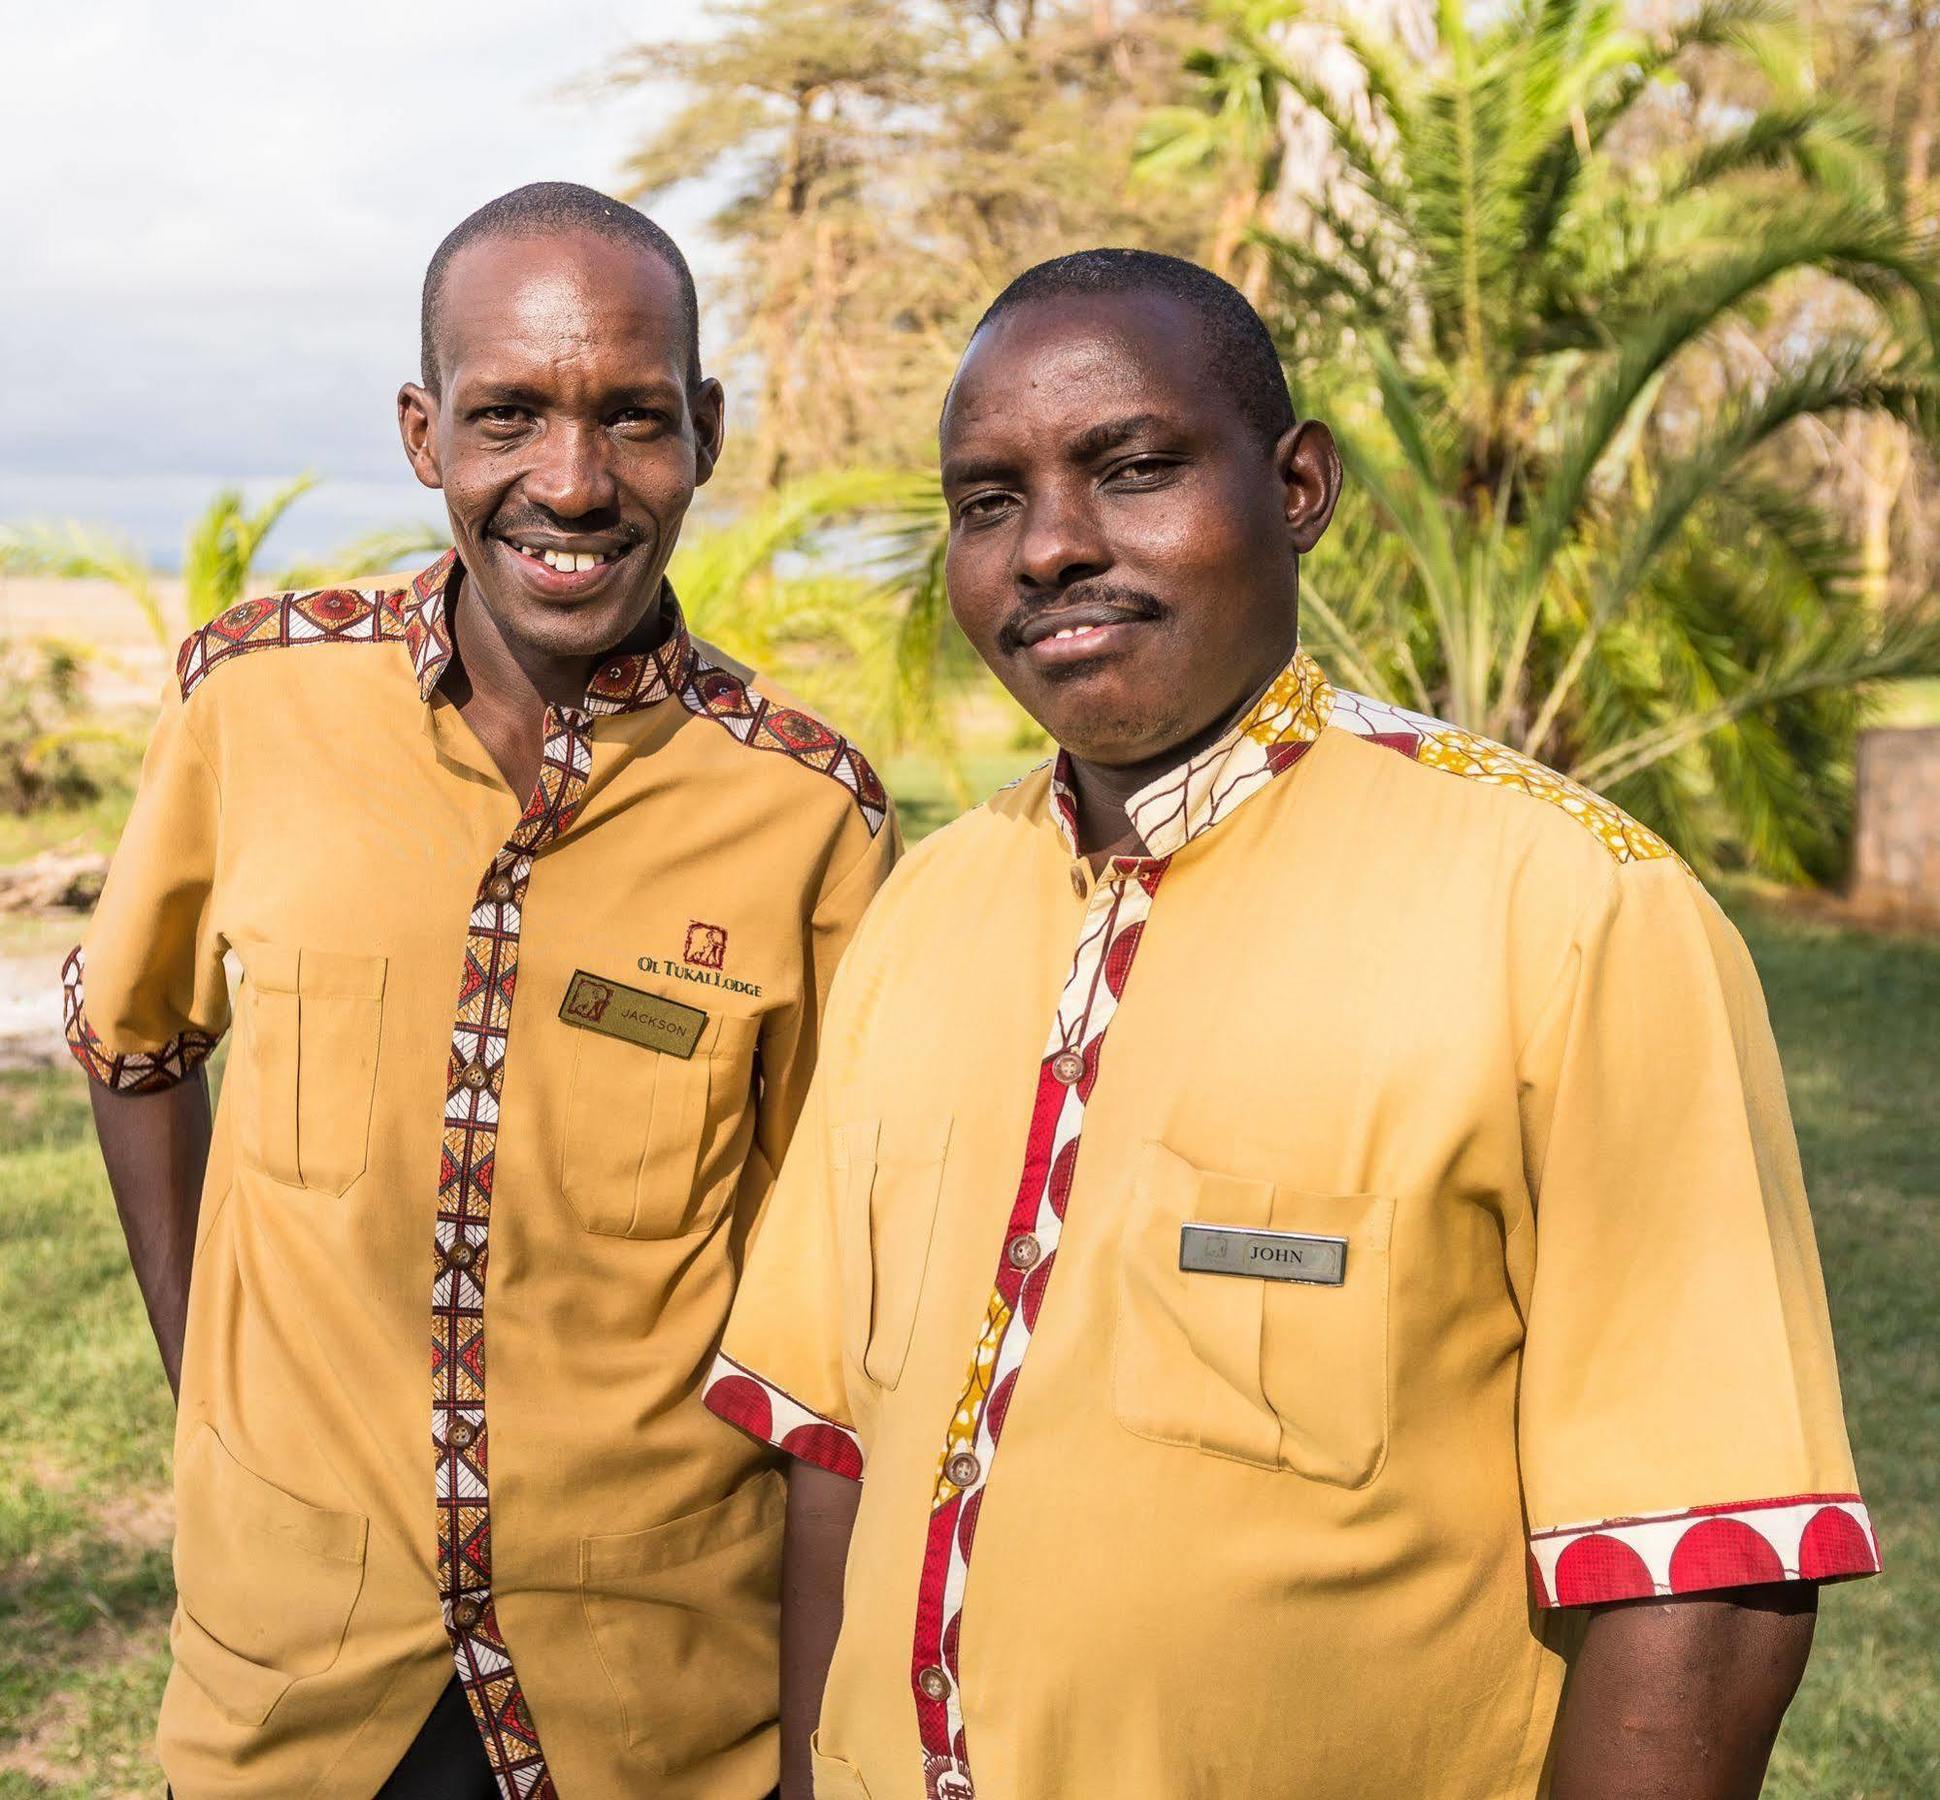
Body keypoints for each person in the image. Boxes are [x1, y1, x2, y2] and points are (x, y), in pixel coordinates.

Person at [704, 249, 1879, 1800]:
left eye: (1130, 468)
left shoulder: (1575, 915)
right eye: (988, 501)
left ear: (1299, 484)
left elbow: (1706, 1581)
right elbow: (836, 1441)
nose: (1051, 547)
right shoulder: (929, 910)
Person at [65, 182, 897, 1799]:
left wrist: (815, 1737)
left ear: (705, 434)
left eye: (634, 420)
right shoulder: (255, 700)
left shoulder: (806, 810)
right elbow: (129, 1040)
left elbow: (827, 1310)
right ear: (423, 432)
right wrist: (210, 1394)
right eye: (508, 414)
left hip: (653, 1686)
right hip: (296, 1670)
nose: (572, 485)